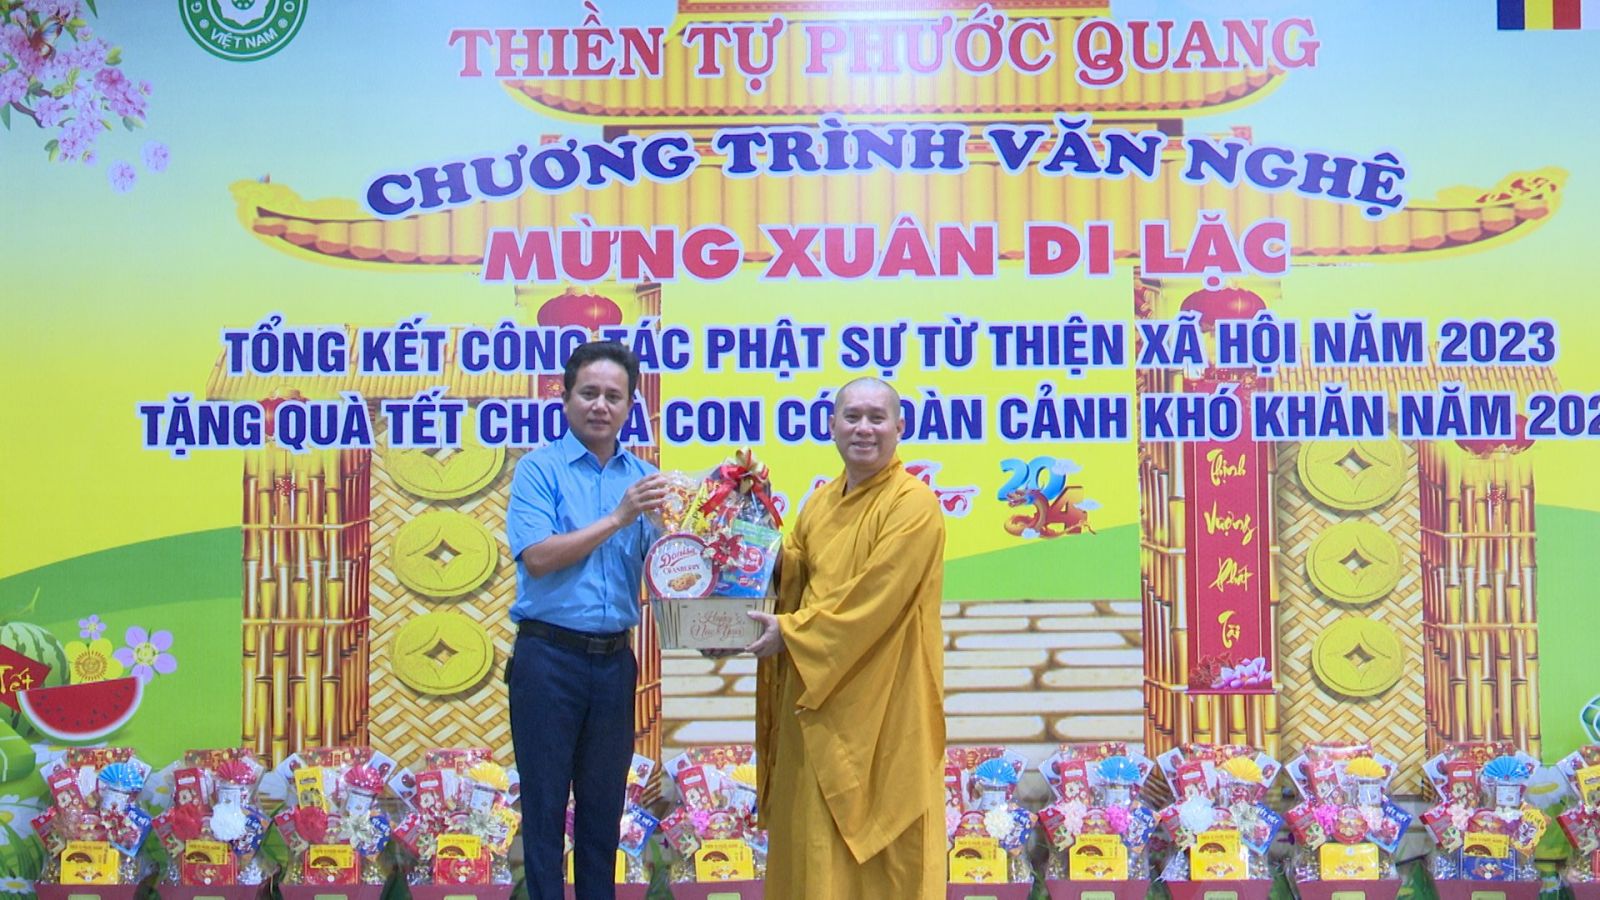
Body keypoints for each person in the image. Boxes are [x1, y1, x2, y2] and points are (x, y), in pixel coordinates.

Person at [746, 376, 948, 899]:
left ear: (899, 427)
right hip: (815, 702)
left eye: (877, 418)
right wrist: (746, 532)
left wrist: (791, 632)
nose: (864, 429)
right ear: (831, 426)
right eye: (852, 417)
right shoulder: (819, 504)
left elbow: (876, 599)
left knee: (886, 859)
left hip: (882, 702)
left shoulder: (914, 505)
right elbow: (794, 574)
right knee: (811, 845)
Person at [505, 340, 667, 900]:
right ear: (566, 397)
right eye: (589, 393)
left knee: (603, 813)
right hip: (547, 660)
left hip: (614, 663)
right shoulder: (538, 470)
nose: (601, 405)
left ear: (630, 407)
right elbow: (538, 557)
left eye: (614, 397)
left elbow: (667, 571)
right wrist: (620, 516)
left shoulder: (648, 480)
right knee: (545, 809)